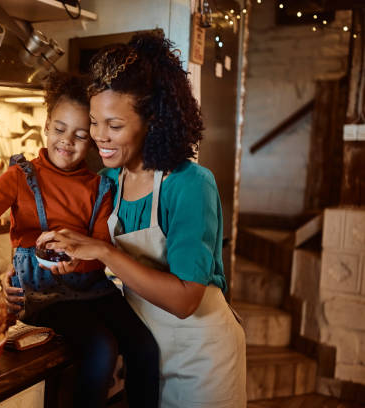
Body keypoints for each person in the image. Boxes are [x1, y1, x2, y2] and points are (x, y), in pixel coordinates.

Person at [36, 31, 247, 407]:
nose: (100, 137)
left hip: (201, 358)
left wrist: (103, 251)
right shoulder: (106, 183)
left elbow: (185, 300)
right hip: (145, 351)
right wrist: (41, 270)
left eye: (114, 126)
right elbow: (90, 265)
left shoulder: (190, 185)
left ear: (153, 120)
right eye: (95, 123)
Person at [0, 72, 159, 408]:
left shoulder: (100, 187)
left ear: (93, 140)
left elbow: (101, 249)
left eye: (81, 135)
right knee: (101, 348)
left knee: (144, 346)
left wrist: (79, 260)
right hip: (44, 297)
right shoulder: (20, 176)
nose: (67, 141)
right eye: (60, 130)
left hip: (95, 290)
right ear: (46, 126)